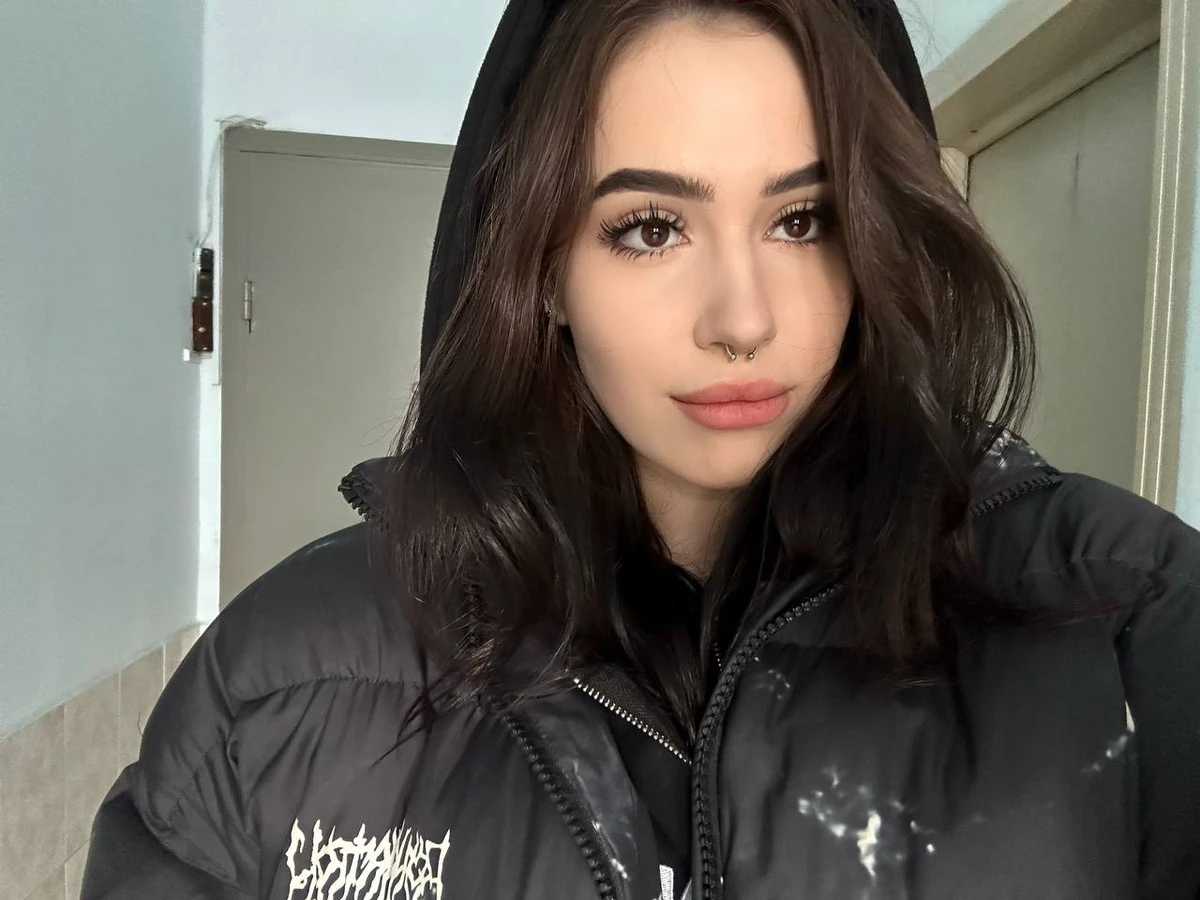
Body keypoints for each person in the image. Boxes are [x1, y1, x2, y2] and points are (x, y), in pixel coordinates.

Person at [83, 0, 1200, 897]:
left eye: (802, 219)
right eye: (651, 228)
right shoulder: (277, 686)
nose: (743, 319)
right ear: (544, 272)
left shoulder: (1130, 626)